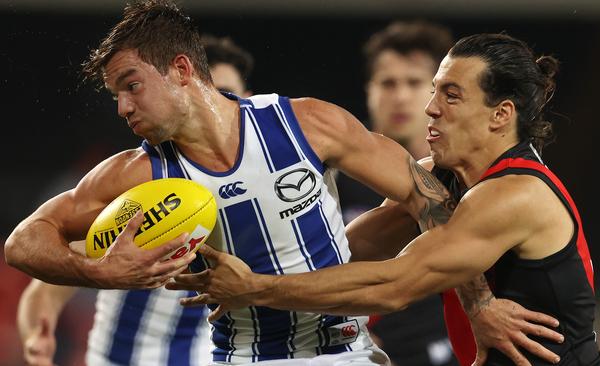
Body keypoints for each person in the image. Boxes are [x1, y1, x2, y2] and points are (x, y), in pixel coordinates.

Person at [4, 1, 563, 364]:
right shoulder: (137, 172)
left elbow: (428, 200)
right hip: (242, 357)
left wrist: (479, 301)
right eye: (115, 96)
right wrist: (94, 270)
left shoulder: (306, 125)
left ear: (179, 70)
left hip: (343, 353)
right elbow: (24, 240)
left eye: (131, 86)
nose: (123, 107)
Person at [167, 33, 600, 365]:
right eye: (435, 90)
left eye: (451, 95)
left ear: (501, 115)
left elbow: (393, 285)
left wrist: (256, 289)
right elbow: (346, 253)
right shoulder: (440, 178)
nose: (431, 108)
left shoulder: (516, 194)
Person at [14, 31, 256, 366]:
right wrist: (37, 335)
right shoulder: (145, 187)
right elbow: (47, 284)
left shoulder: (265, 188)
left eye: (225, 92)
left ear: (247, 99)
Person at [336, 20, 457, 366]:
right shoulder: (330, 179)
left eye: (415, 83)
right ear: (369, 90)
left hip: (444, 353)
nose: (401, 96)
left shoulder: (464, 179)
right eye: (388, 83)